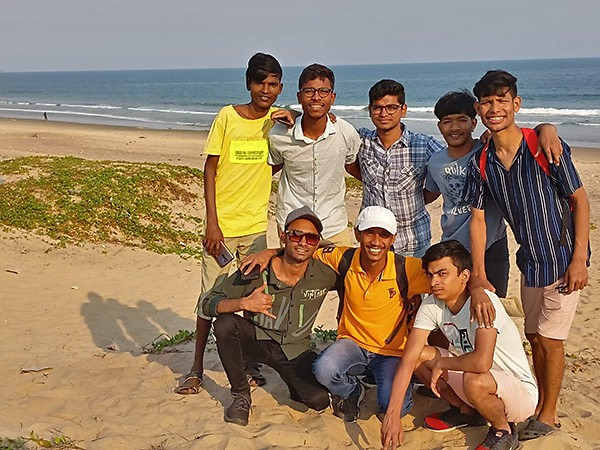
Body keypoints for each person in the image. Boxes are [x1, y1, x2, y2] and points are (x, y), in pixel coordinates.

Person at [466, 70, 590, 440]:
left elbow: (580, 200)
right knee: (534, 336)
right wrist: (477, 272)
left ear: (516, 104)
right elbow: (477, 218)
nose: (495, 108)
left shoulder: (544, 146)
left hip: (563, 258)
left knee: (551, 341)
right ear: (478, 108)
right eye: (487, 102)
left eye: (502, 100)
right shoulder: (482, 161)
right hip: (530, 262)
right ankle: (541, 405)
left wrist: (579, 259)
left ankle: (548, 415)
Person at [176, 52, 283, 395]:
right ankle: (195, 368)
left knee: (252, 297)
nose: (266, 90)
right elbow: (210, 168)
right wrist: (213, 223)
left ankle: (249, 363)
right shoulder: (227, 116)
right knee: (209, 297)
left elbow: (279, 160)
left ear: (280, 88)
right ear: (249, 84)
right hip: (222, 227)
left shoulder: (277, 123)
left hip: (255, 228)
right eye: (260, 83)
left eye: (273, 84)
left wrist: (292, 120)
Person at [380, 240, 538, 450]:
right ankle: (467, 412)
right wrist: (392, 416)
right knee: (418, 356)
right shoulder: (432, 304)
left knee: (474, 379)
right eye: (430, 275)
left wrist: (443, 363)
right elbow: (409, 359)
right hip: (477, 380)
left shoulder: (483, 303)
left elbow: (482, 363)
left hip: (518, 393)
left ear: (464, 276)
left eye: (442, 274)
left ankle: (503, 430)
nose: (434, 282)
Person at [199, 207, 338, 426]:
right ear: (283, 236)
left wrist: (273, 250)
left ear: (317, 242)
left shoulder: (325, 274)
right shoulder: (257, 269)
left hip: (295, 350)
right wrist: (243, 303)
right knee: (225, 324)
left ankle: (293, 384)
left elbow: (355, 260)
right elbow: (207, 303)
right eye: (296, 235)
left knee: (318, 400)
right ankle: (241, 394)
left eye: (311, 238)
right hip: (257, 340)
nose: (303, 242)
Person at [425, 91, 562, 298]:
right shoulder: (435, 162)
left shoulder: (488, 152)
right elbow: (431, 192)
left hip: (492, 245)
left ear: (474, 123)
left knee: (494, 306)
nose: (455, 127)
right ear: (439, 126)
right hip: (452, 246)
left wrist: (546, 127)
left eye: (462, 120)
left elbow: (515, 138)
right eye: (447, 121)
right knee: (454, 308)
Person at [268, 63, 361, 246]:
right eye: (309, 91)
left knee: (341, 266)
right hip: (294, 229)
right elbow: (269, 170)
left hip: (334, 227)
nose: (316, 97)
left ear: (332, 97)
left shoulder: (346, 132)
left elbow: (351, 165)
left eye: (323, 91)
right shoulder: (280, 135)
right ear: (299, 96)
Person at [356, 79, 445, 258]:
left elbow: (451, 160)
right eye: (377, 108)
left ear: (403, 109)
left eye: (391, 107)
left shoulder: (423, 144)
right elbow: (334, 134)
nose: (384, 113)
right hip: (373, 242)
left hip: (412, 241)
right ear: (370, 110)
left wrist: (487, 138)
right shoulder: (361, 141)